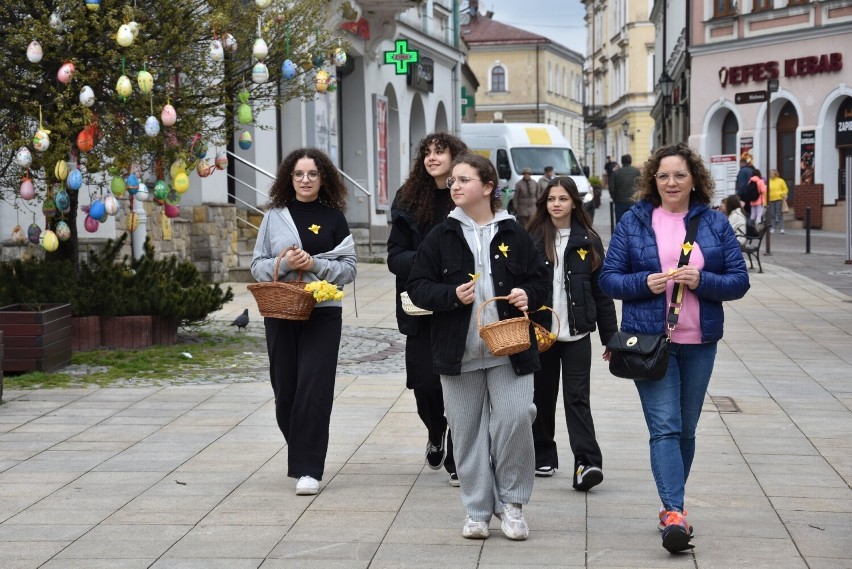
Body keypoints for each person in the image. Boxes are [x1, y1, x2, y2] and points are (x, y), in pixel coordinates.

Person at [599, 143, 750, 554]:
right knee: (664, 426)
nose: (671, 183)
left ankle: (671, 506)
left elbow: (739, 280)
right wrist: (643, 282)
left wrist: (703, 280)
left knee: (686, 429)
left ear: (694, 179)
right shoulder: (634, 221)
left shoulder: (714, 224)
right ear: (653, 179)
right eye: (664, 175)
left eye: (680, 175)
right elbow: (609, 278)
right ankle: (674, 512)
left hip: (699, 341)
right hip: (650, 342)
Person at [406, 153, 550, 542]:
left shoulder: (514, 232)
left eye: (463, 179)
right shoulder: (442, 235)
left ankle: (513, 503)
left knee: (517, 417)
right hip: (459, 352)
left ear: (488, 187)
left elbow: (541, 281)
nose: (454, 185)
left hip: (511, 349)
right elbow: (417, 286)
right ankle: (477, 510)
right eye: (452, 180)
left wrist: (526, 294)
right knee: (467, 432)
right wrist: (451, 294)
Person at [251, 147, 357, 496]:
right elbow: (257, 266)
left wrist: (313, 265)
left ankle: (309, 467)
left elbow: (349, 268)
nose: (306, 180)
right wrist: (286, 264)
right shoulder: (274, 217)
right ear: (289, 178)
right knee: (286, 390)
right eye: (299, 174)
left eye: (312, 174)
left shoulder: (334, 217)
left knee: (314, 387)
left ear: (323, 177)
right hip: (281, 310)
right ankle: (302, 447)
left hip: (323, 311)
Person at [526, 177, 618, 489]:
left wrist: (611, 338)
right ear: (544, 203)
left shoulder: (588, 240)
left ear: (574, 203)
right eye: (551, 198)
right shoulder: (534, 238)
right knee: (541, 397)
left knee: (577, 398)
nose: (556, 204)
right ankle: (543, 455)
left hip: (577, 334)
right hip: (541, 335)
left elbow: (602, 293)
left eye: (563, 198)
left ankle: (587, 463)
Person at [387, 132, 467, 486]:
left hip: (459, 304)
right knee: (425, 386)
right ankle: (436, 431)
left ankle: (455, 453)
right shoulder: (407, 198)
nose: (432, 157)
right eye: (427, 152)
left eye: (440, 152)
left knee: (458, 383)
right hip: (420, 305)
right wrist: (426, 262)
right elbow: (394, 256)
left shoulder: (466, 194)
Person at [610, 153, 641, 224]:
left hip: (620, 201)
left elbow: (611, 188)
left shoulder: (616, 173)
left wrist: (615, 198)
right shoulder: (636, 172)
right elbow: (640, 185)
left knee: (620, 222)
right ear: (631, 161)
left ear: (622, 161)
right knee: (633, 222)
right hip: (633, 201)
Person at [767, 169, 789, 234]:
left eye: (772, 173)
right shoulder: (768, 181)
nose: (771, 174)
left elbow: (785, 189)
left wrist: (782, 194)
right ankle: (773, 228)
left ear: (775, 174)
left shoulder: (780, 181)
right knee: (772, 214)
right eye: (770, 173)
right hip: (771, 199)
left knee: (779, 214)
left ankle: (782, 228)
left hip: (779, 199)